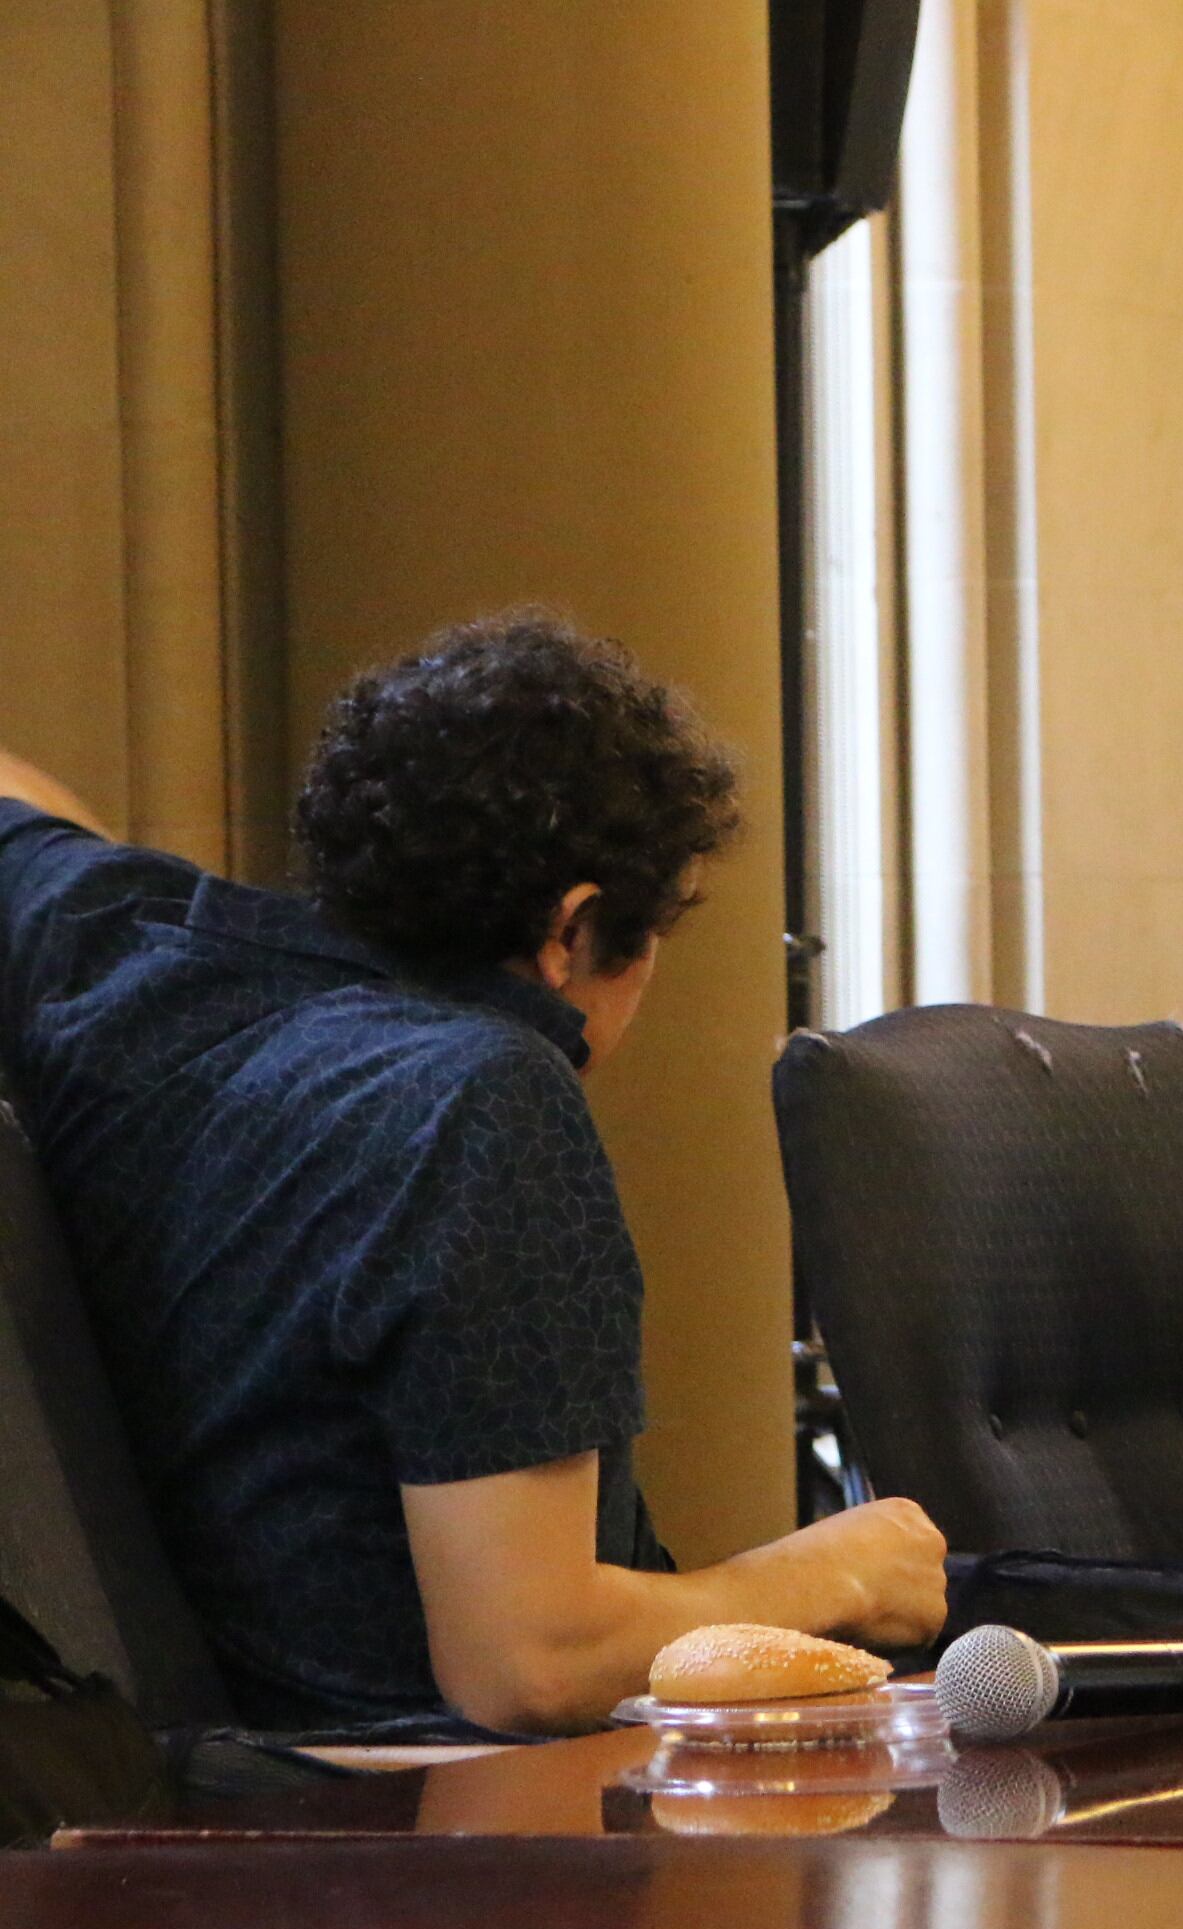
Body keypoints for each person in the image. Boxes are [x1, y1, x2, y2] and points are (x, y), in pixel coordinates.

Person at [0, 615, 947, 1737]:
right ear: (575, 928)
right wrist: (838, 1570)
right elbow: (529, 1661)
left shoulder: (112, 947)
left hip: (175, 1791)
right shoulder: (483, 1098)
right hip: (425, 1828)